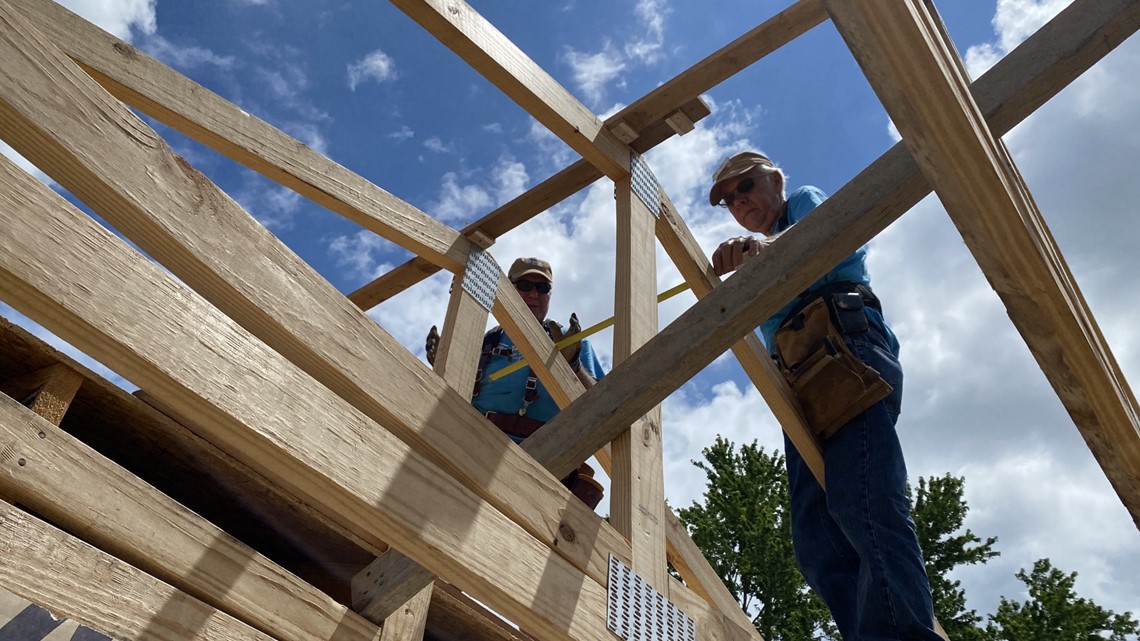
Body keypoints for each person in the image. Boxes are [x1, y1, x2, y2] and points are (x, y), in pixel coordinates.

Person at [708, 151, 942, 641]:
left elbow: (827, 242)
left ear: (774, 179)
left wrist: (761, 247)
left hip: (843, 348)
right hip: (799, 377)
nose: (738, 200)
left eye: (745, 186)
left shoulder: (802, 203)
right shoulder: (757, 254)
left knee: (867, 504)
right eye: (728, 199)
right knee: (816, 536)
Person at [428, 256, 606, 508]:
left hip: (549, 463)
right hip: (478, 449)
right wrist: (445, 366)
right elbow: (451, 400)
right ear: (509, 289)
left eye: (542, 288)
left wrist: (573, 365)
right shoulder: (482, 343)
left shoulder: (569, 342)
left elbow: (603, 403)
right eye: (524, 286)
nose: (534, 294)